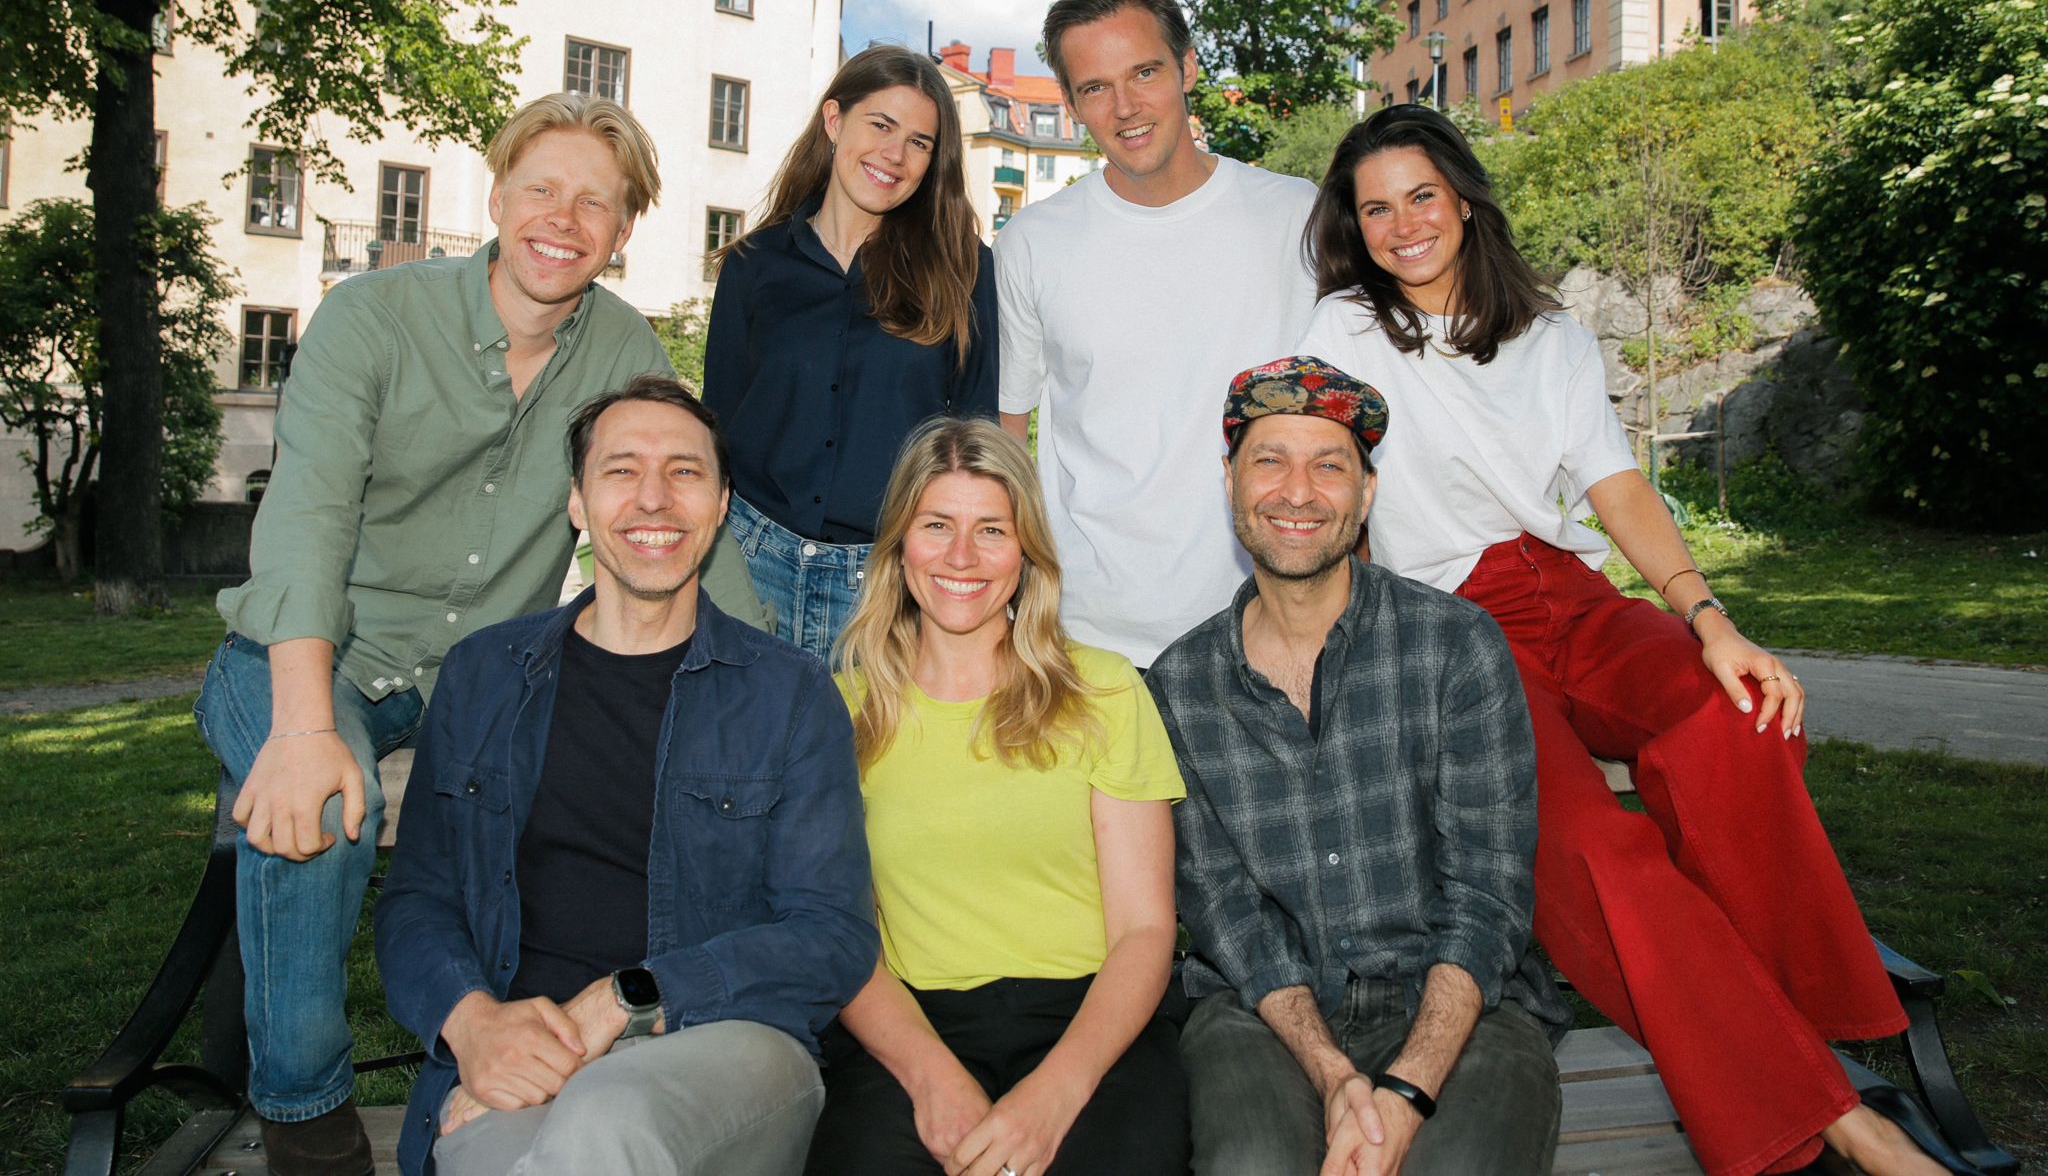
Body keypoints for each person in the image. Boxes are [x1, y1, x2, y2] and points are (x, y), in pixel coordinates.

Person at [1295, 105, 1951, 1176]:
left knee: (1732, 714)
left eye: (1420, 195)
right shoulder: (1343, 336)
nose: (1401, 223)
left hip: (1568, 594)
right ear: (1352, 227)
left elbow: (1612, 487)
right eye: (1374, 208)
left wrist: (1711, 621)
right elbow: (1318, 493)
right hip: (1451, 628)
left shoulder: (1549, 334)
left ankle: (1775, 1013)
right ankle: (1839, 1116)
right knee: (1593, 851)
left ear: (1463, 197)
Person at [199, 94, 766, 1176]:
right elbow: (308, 514)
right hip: (315, 649)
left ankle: (522, 1071)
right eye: (542, 188)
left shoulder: (619, 344)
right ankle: (304, 1109)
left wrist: (781, 695)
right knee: (317, 796)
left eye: (595, 203)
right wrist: (306, 723)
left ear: (624, 231)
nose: (563, 218)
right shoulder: (373, 317)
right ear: (497, 195)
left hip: (478, 681)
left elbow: (677, 512)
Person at [374, 375, 877, 1176]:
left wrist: (628, 996)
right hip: (521, 1059)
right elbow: (418, 900)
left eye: (685, 471)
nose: (654, 498)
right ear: (577, 501)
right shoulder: (482, 676)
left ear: (719, 508)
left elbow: (832, 936)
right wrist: (472, 1025)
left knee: (606, 1119)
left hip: (720, 1051)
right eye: (621, 470)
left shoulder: (788, 693)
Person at [1149, 357, 1566, 1176]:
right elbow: (1229, 915)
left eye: (1329, 464)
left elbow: (1487, 894)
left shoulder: (1457, 647)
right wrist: (1336, 1073)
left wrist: (1405, 1091)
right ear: (1230, 481)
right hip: (1262, 1011)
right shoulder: (1177, 689)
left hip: (1460, 1002)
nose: (1297, 492)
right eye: (1269, 459)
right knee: (1253, 1167)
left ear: (1366, 492)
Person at [802, 417, 1188, 1176]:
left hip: (1093, 1029)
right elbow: (840, 936)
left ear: (1026, 551)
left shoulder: (1105, 690)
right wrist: (932, 1077)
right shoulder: (837, 713)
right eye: (937, 524)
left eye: (991, 529)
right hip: (911, 1031)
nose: (961, 556)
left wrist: (1054, 1095)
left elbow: (1145, 930)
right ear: (899, 544)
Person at [997, 0, 1319, 669]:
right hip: (1089, 637)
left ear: (1188, 68)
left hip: (1264, 628)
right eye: (1095, 87)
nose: (1125, 106)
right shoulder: (1031, 243)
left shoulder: (1297, 218)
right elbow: (1009, 437)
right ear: (1072, 103)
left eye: (1144, 72)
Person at [704, 44, 997, 663]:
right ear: (835, 122)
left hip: (887, 587)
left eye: (920, 142)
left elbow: (976, 438)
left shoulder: (966, 272)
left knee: (867, 760)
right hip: (752, 568)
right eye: (881, 125)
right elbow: (715, 433)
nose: (895, 154)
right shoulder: (752, 267)